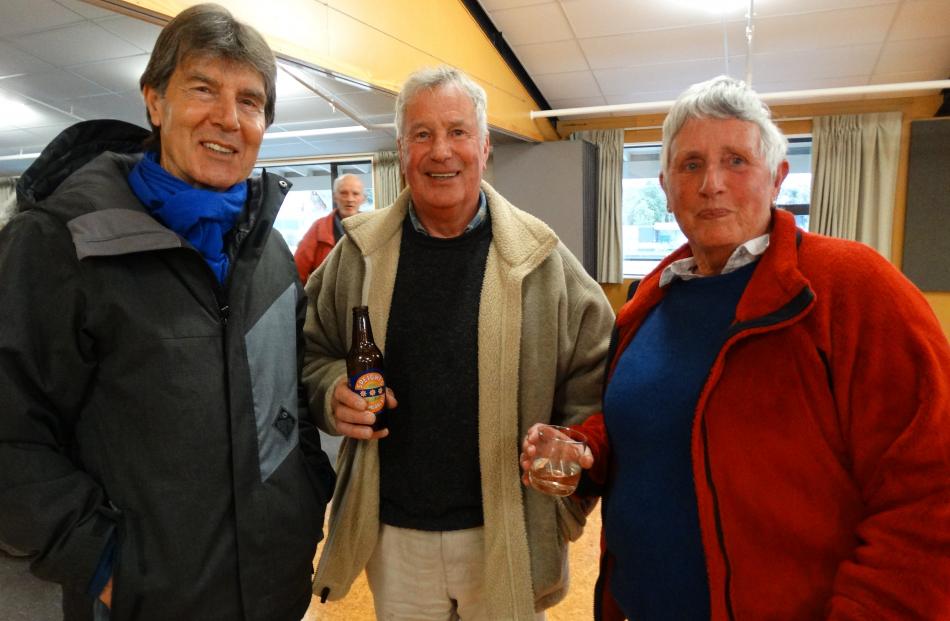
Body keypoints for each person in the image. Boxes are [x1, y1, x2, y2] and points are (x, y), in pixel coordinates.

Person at [521, 75, 950, 620]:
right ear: (666, 184)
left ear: (778, 177)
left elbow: (931, 496)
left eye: (737, 161)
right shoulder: (649, 300)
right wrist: (587, 449)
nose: (712, 184)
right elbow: (648, 427)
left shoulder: (854, 288)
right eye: (691, 164)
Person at [0, 4, 336, 620]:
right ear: (155, 102)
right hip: (142, 601)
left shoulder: (270, 254)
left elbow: (287, 403)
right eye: (202, 88)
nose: (227, 118)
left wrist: (305, 500)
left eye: (250, 100)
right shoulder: (61, 244)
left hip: (272, 589)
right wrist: (102, 566)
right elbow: (11, 434)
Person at [301, 65, 614, 619]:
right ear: (401, 151)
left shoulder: (544, 261)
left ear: (485, 146)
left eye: (457, 132)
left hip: (508, 531)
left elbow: (596, 378)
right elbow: (311, 352)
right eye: (422, 134)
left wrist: (569, 480)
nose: (440, 150)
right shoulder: (355, 255)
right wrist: (332, 393)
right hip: (394, 536)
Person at [294, 173, 366, 283]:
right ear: (335, 197)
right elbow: (298, 273)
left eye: (355, 194)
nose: (350, 199)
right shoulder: (318, 228)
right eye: (343, 193)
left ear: (362, 198)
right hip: (326, 297)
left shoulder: (372, 227)